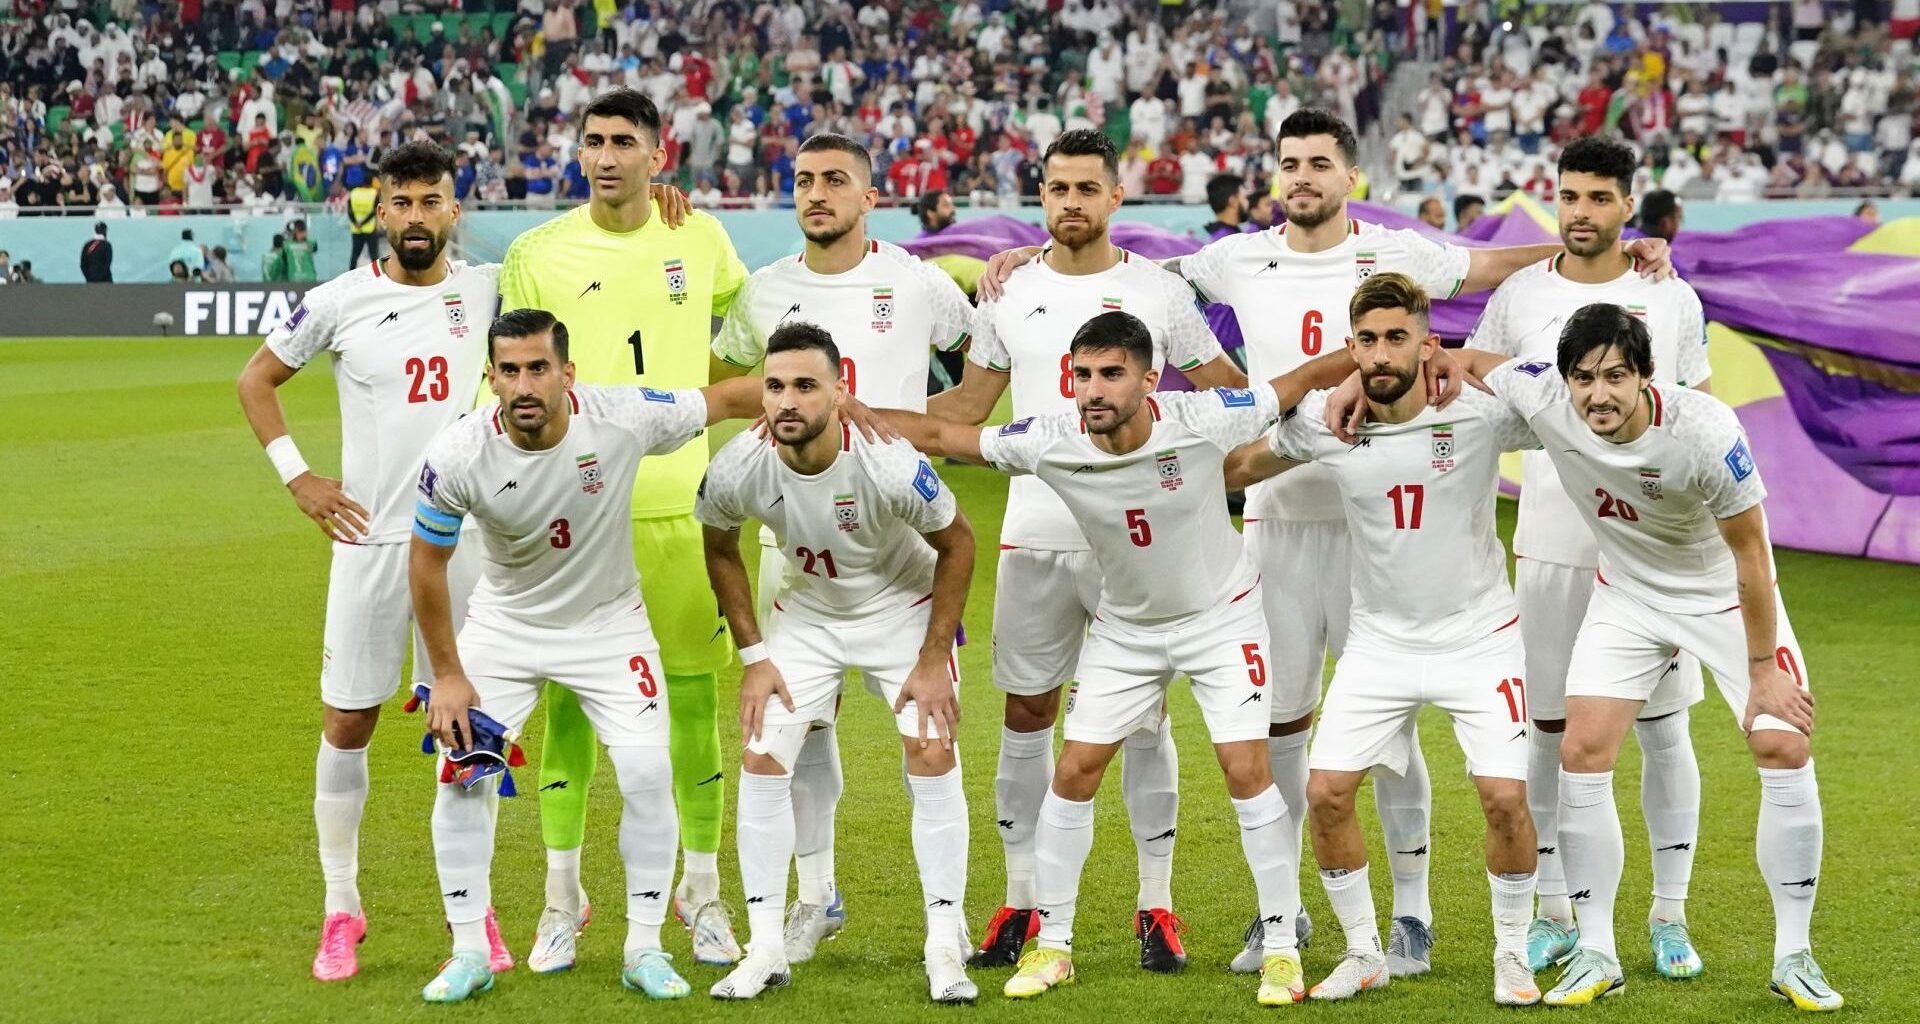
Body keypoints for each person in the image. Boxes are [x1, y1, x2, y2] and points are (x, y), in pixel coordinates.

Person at [1162, 109, 1668, 974]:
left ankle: (1416, 916)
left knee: (1387, 737)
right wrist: (1035, 263)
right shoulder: (1234, 256)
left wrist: (1594, 261)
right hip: (1281, 522)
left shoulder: (1396, 252)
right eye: (1290, 164)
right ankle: (1281, 915)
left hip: (1377, 539)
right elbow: (1144, 281)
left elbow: (1486, 266)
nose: (1303, 177)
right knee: (1283, 729)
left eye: (1320, 163)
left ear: (1351, 175)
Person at [892, 311, 1402, 1005]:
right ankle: (1054, 944)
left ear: (1149, 378)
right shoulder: (1050, 439)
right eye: (1082, 375)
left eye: (1111, 373)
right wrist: (851, 411)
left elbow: (1297, 382)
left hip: (1221, 621)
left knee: (1247, 771)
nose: (1093, 390)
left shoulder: (1202, 418)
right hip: (1126, 630)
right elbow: (942, 434)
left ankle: (1283, 949)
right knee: (1073, 771)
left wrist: (1358, 371)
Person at [1388, 306, 1840, 1011]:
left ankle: (1794, 955)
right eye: (1584, 379)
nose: (1598, 394)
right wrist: (1441, 362)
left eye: (1615, 377)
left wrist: (1762, 672)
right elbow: (1475, 363)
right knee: (1582, 750)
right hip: (1627, 594)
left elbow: (1753, 555)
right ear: (1565, 378)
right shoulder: (1545, 394)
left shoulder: (1704, 430)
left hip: (1722, 594)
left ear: (1646, 375)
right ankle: (1596, 949)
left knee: (1782, 744)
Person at [926, 127, 1248, 973]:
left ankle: (1156, 905)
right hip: (1034, 535)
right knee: (1027, 716)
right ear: (1043, 198)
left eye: (1085, 189)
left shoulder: (1158, 292)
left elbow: (1228, 395)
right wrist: (868, 427)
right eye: (1056, 189)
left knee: (1142, 722)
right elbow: (969, 403)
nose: (1070, 202)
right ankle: (1022, 903)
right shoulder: (1009, 292)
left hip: (1135, 548)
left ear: (1115, 197)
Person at [409, 308, 768, 1004]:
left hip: (609, 624)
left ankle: (643, 945)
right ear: (490, 379)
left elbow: (724, 397)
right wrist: (447, 676)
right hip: (505, 626)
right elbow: (426, 565)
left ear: (567, 374)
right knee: (460, 774)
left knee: (645, 769)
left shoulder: (621, 417)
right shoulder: (456, 454)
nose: (523, 385)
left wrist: (834, 400)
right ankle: (468, 951)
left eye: (538, 368)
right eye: (508, 371)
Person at [1224, 273, 1543, 1005]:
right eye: (1366, 339)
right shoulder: (1327, 424)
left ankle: (1513, 954)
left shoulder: (1479, 414)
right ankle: (1365, 951)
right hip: (1381, 645)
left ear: (1426, 342)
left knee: (1502, 798)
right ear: (1350, 348)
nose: (1380, 353)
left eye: (1397, 337)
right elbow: (1238, 468)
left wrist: (1468, 361)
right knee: (1328, 791)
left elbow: (1560, 398)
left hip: (1479, 638)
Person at [234, 142, 505, 983]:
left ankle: (475, 909)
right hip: (370, 543)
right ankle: (341, 907)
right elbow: (256, 379)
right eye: (401, 202)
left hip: (465, 547)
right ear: (378, 211)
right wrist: (300, 478)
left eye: (432, 201)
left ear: (454, 211)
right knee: (349, 721)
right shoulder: (340, 300)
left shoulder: (491, 287)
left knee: (465, 730)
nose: (416, 216)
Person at [497, 88, 750, 971]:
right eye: (593, 141)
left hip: (684, 509)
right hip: (577, 521)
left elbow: (741, 345)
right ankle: (562, 901)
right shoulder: (537, 252)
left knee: (691, 711)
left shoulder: (702, 237)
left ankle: (704, 895)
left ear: (659, 155)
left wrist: (692, 405)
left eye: (623, 143)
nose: (605, 156)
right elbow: (510, 380)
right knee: (569, 712)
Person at [710, 131, 976, 960]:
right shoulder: (764, 292)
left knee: (929, 736)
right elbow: (723, 388)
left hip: (903, 549)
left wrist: (926, 437)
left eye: (835, 181)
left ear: (869, 198)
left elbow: (984, 367)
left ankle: (948, 917)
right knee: (801, 730)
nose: (816, 193)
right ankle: (816, 893)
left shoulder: (917, 282)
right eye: (802, 181)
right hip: (797, 548)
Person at [1465, 136, 1713, 982]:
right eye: (1569, 197)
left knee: (1664, 730)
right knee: (1546, 735)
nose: (1581, 213)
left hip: (1651, 557)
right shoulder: (1521, 294)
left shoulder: (1668, 296)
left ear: (1626, 206)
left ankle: (1669, 915)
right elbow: (1479, 395)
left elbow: (1696, 420)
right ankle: (1553, 912)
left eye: (1599, 199)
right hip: (1549, 548)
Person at [697, 323, 978, 1003]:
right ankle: (765, 947)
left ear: (839, 391)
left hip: (900, 608)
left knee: (932, 752)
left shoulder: (887, 460)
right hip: (808, 615)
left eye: (804, 386)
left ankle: (946, 942)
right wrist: (755, 657)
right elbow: (720, 547)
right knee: (763, 754)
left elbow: (960, 544)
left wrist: (935, 656)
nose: (786, 401)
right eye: (773, 387)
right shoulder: (738, 465)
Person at [1202, 172, 1250, 239]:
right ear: (1232, 202)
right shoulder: (1228, 239)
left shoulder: (1220, 234)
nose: (1249, 203)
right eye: (1246, 198)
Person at [348, 177, 381, 267]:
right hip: (370, 229)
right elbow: (374, 211)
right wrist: (363, 223)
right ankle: (378, 279)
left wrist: (355, 222)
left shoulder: (354, 192)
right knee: (374, 256)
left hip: (356, 229)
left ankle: (350, 278)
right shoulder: (374, 193)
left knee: (354, 256)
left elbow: (349, 210)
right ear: (371, 183)